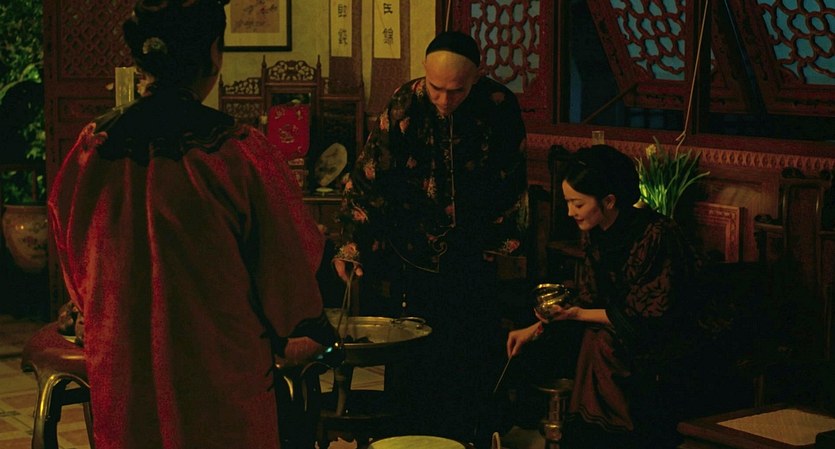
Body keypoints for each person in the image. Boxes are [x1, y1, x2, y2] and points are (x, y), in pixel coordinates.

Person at [48, 1, 334, 448]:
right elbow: (288, 273)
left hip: (125, 371)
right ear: (213, 53)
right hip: (220, 377)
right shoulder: (236, 152)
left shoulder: (91, 150)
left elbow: (74, 260)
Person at [332, 31, 527, 445]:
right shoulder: (405, 103)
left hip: (473, 251)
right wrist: (352, 244)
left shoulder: (498, 106)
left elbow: (512, 180)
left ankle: (466, 437)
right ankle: (409, 437)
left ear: (476, 77)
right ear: (424, 73)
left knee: (469, 350)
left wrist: (502, 243)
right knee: (414, 351)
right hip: (412, 250)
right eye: (436, 88)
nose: (443, 100)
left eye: (456, 91)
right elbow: (368, 180)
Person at [506, 145, 704, 449]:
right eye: (568, 203)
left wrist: (576, 315)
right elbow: (589, 297)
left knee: (599, 342)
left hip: (665, 333)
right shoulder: (596, 231)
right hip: (617, 325)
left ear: (609, 201)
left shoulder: (657, 234)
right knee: (544, 337)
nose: (570, 212)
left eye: (577, 204)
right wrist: (535, 328)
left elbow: (649, 314)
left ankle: (604, 436)